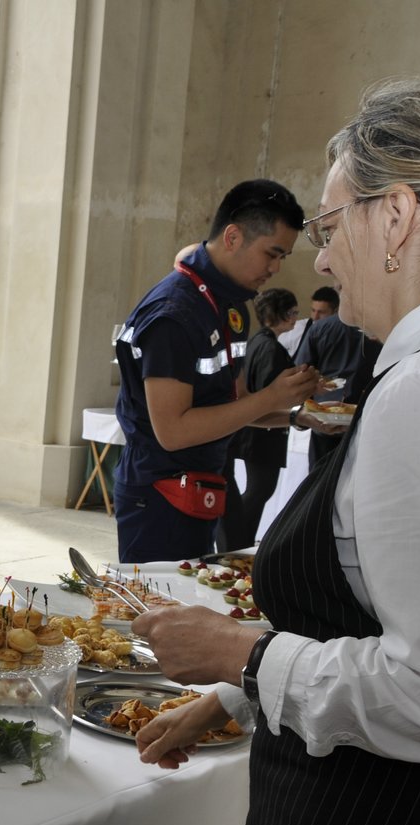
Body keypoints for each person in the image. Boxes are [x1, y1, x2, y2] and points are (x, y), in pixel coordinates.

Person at [134, 77, 420, 825]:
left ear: (398, 216)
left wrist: (240, 653)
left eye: (332, 223)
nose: (322, 256)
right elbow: (416, 617)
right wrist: (239, 696)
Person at [113, 179, 321, 562]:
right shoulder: (174, 314)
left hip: (201, 487)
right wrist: (272, 396)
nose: (275, 268)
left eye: (283, 258)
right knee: (159, 611)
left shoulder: (230, 308)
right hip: (160, 493)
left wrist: (296, 416)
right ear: (232, 237)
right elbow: (174, 431)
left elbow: (233, 406)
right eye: (271, 253)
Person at [220, 288, 299, 549]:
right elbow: (269, 396)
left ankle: (238, 543)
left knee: (256, 492)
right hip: (262, 432)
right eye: (294, 312)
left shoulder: (256, 341)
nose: (297, 318)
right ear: (283, 314)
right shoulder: (270, 347)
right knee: (259, 491)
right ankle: (239, 545)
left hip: (252, 430)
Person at [295, 300, 384, 466]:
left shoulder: (319, 328)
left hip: (324, 414)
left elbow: (302, 370)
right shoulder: (381, 329)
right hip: (364, 413)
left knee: (320, 477)